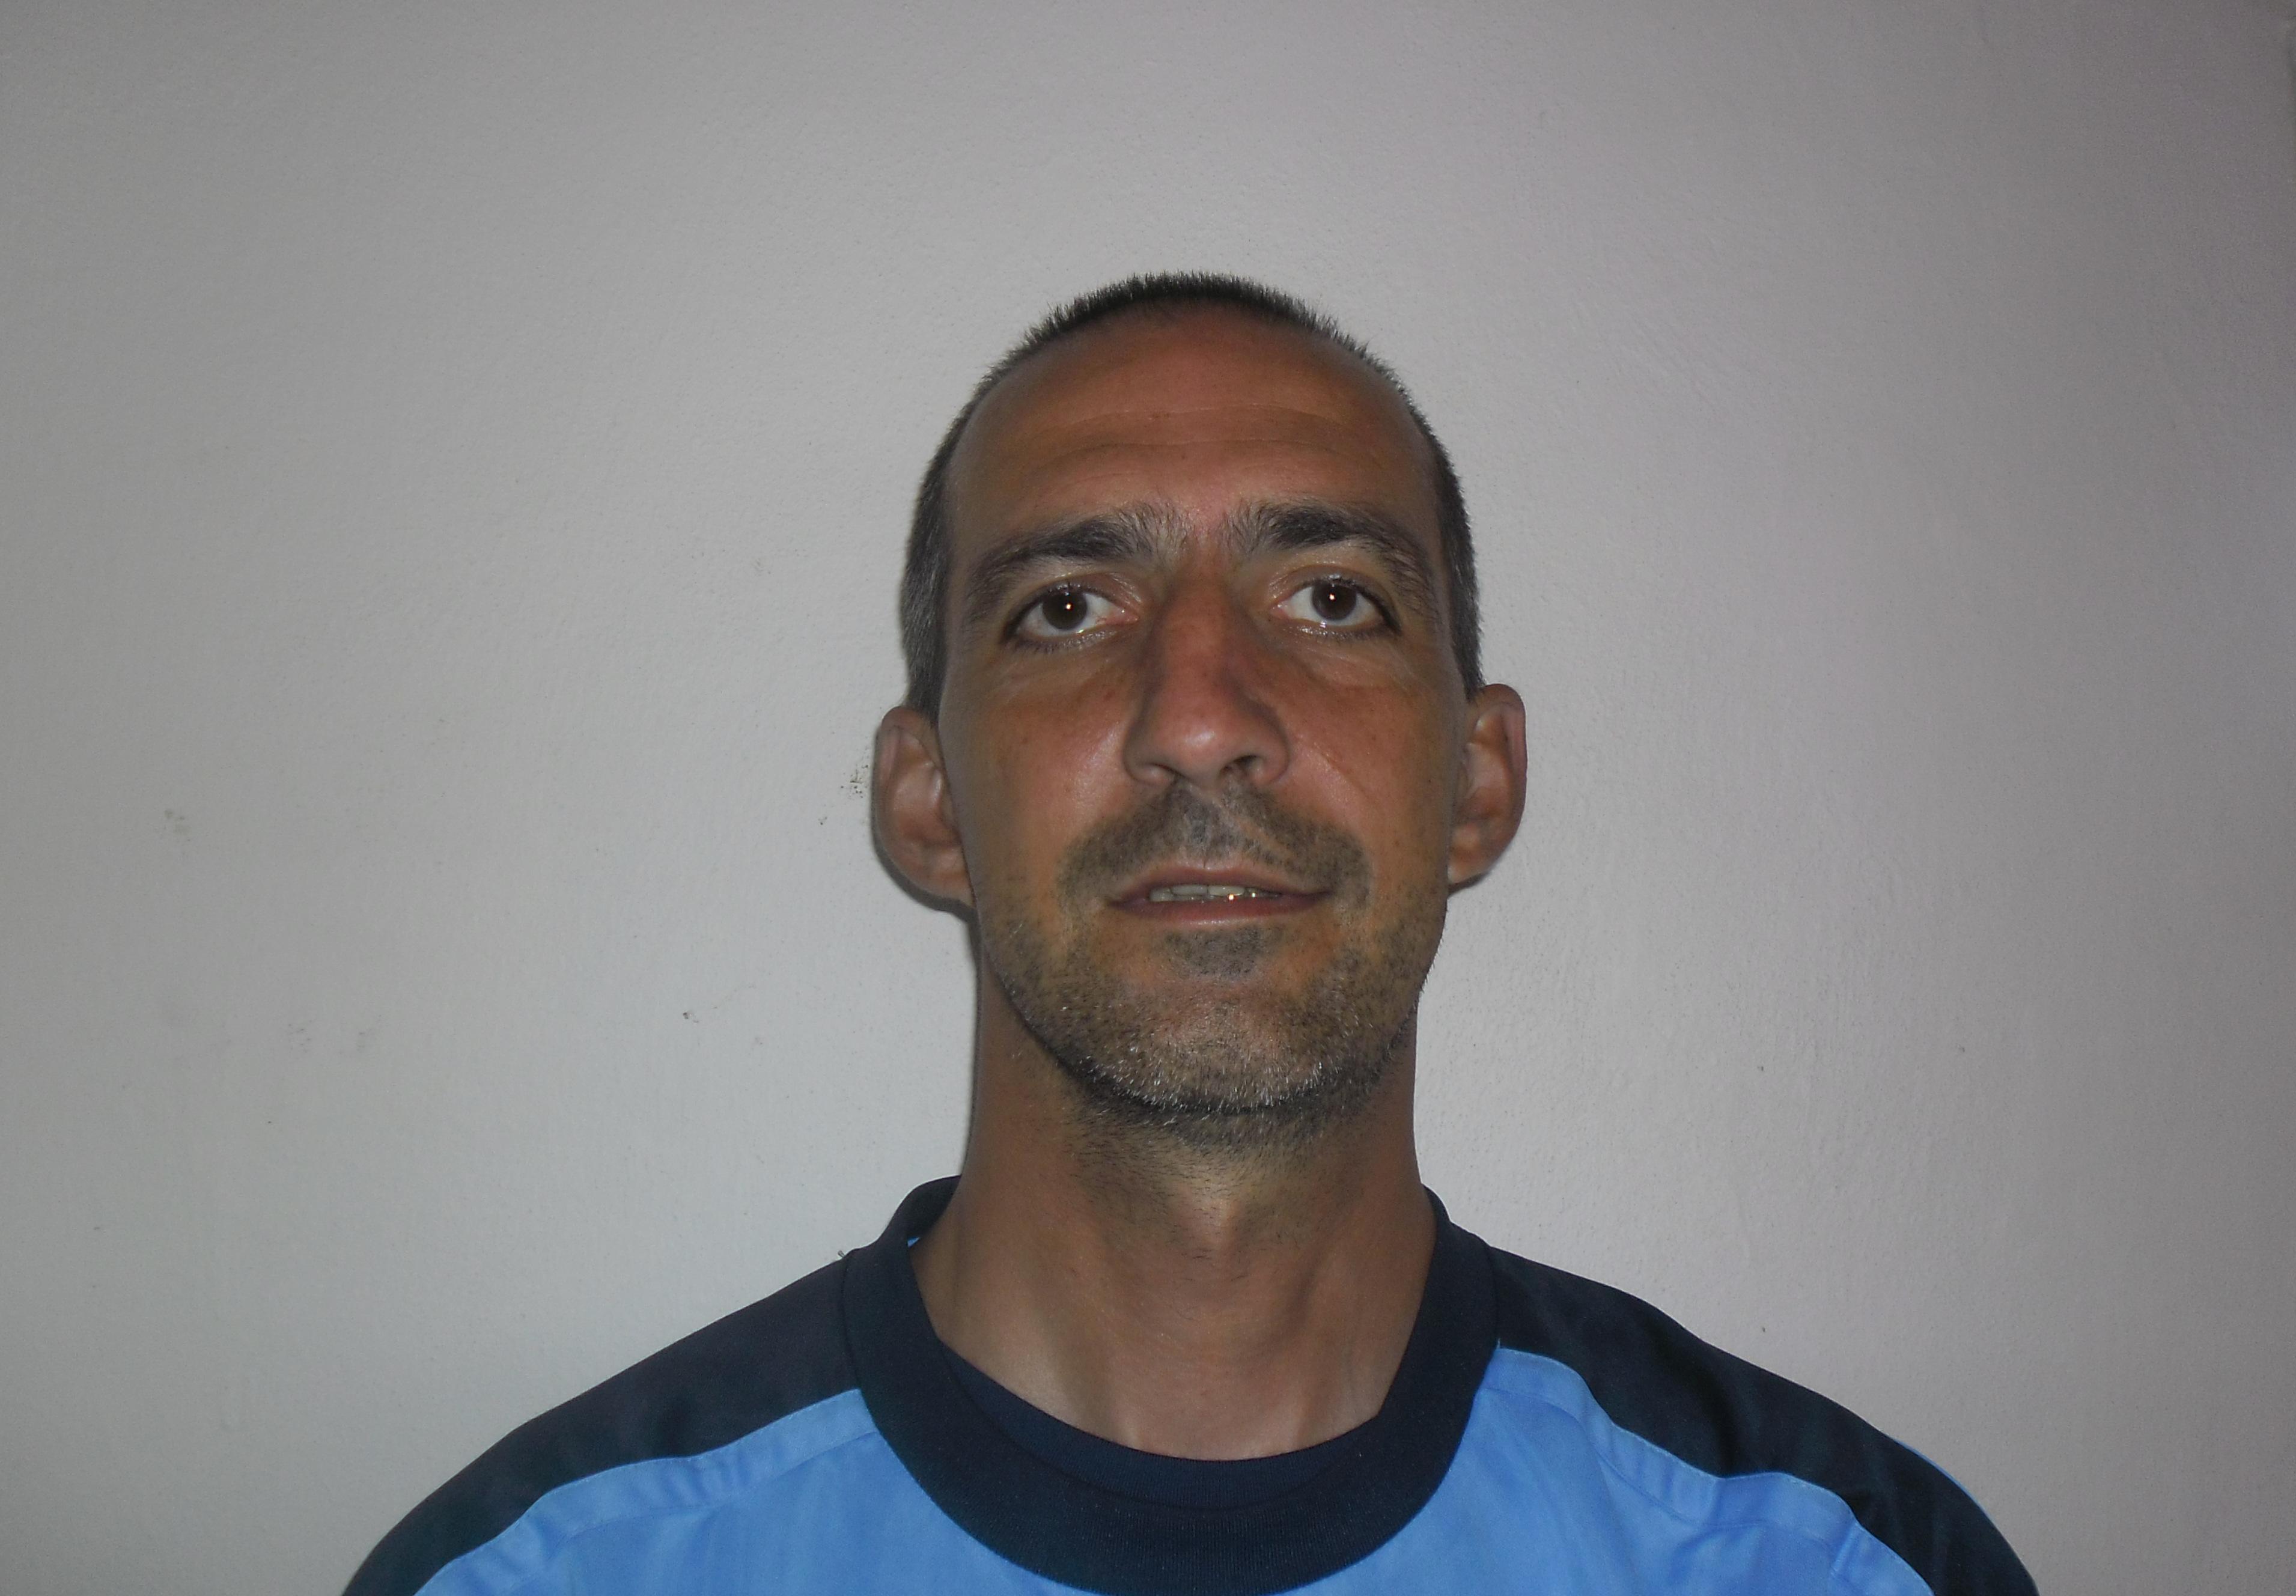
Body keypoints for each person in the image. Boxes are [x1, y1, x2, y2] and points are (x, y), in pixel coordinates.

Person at [346, 275, 2036, 1595]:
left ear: (1478, 780)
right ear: (929, 803)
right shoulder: (545, 1575)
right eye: (1068, 608)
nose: (1203, 719)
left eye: (1333, 600)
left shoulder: (1835, 1568)